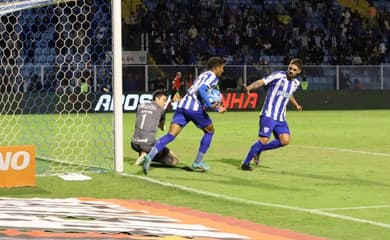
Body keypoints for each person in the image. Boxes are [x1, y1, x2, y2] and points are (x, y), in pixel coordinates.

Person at [137, 57, 227, 175]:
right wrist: (211, 105)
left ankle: (149, 157)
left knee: (170, 135)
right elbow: (201, 90)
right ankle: (197, 162)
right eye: (222, 68)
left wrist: (214, 107)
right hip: (194, 108)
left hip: (183, 105)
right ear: (216, 67)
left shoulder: (203, 75)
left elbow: (199, 93)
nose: (223, 70)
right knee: (210, 131)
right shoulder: (213, 77)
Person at [241, 58, 303, 170]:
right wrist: (249, 87)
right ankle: (245, 163)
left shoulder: (296, 83)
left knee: (285, 141)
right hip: (268, 114)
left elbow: (289, 94)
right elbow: (261, 81)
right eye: (290, 68)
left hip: (280, 118)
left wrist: (296, 104)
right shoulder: (278, 75)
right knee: (264, 140)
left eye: (294, 70)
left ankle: (259, 149)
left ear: (298, 72)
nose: (291, 71)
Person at [131, 90, 179, 168]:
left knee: (144, 137)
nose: (164, 103)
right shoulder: (161, 110)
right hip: (148, 144)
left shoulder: (140, 106)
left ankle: (143, 154)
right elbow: (162, 127)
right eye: (163, 100)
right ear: (157, 98)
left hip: (134, 143)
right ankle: (146, 155)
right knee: (174, 160)